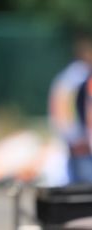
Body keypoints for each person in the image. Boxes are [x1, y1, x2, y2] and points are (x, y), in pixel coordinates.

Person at [49, 31, 92, 184]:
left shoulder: (70, 75)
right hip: (79, 142)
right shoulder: (79, 75)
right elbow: (63, 105)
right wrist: (74, 136)